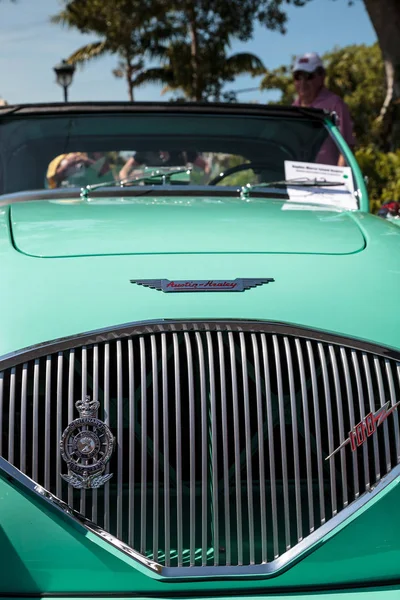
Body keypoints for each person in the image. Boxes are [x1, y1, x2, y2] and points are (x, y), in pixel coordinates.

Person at [292, 52, 355, 166]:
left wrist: (340, 179)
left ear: (321, 76)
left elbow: (346, 147)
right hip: (298, 179)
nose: (302, 82)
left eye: (308, 76)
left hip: (329, 180)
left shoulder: (334, 104)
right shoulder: (292, 108)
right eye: (298, 77)